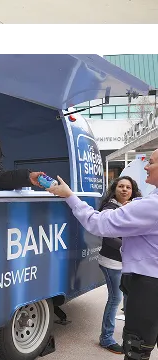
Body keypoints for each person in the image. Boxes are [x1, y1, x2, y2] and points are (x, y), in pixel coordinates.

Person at [47, 151, 158, 360]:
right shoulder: (147, 202)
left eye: (150, 163)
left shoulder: (150, 206)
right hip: (145, 282)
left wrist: (69, 196)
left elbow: (97, 223)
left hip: (147, 285)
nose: (145, 167)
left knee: (137, 348)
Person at [94, 176, 144, 353]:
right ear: (114, 189)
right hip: (112, 262)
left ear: (133, 190)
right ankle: (106, 338)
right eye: (121, 186)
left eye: (128, 187)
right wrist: (131, 246)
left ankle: (128, 336)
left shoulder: (134, 206)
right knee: (115, 299)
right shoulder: (110, 208)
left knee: (129, 299)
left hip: (128, 263)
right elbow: (108, 239)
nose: (124, 190)